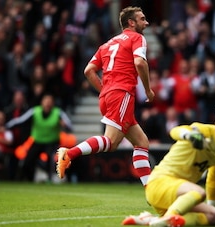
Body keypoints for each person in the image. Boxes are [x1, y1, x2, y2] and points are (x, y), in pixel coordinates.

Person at [56, 6, 155, 186]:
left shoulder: (107, 44)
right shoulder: (137, 38)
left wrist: (105, 90)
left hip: (108, 96)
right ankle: (69, 154)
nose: (146, 23)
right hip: (122, 94)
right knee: (111, 142)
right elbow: (140, 62)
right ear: (131, 23)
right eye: (142, 19)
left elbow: (88, 71)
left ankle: (150, 189)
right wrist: (148, 89)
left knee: (142, 142)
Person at [122, 100, 215, 227]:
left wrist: (210, 207)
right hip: (160, 183)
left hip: (177, 196)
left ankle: (150, 220)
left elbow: (214, 178)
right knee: (199, 193)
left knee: (214, 216)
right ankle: (169, 218)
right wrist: (189, 135)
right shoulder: (203, 131)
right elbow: (175, 131)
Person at [6, 94, 72, 182]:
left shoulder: (58, 112)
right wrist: (6, 126)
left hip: (52, 142)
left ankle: (50, 179)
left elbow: (70, 126)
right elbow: (20, 120)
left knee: (50, 159)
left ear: (53, 104)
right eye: (46, 101)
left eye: (50, 102)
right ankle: (28, 179)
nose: (47, 104)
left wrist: (65, 125)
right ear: (42, 102)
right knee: (28, 160)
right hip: (37, 141)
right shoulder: (35, 111)